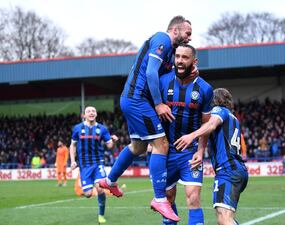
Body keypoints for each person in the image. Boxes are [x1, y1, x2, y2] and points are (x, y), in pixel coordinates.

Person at [99, 15, 192, 222]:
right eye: (187, 33)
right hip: (138, 100)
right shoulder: (162, 39)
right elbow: (150, 73)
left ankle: (110, 180)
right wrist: (159, 104)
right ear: (175, 30)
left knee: (138, 147)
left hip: (132, 100)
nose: (189, 38)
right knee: (161, 144)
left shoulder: (169, 52)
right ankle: (160, 198)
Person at [175, 88, 248, 225]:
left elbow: (211, 125)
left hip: (227, 170)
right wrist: (200, 151)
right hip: (237, 169)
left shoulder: (219, 110)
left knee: (224, 218)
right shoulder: (233, 118)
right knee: (225, 217)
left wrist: (191, 135)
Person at [159, 44, 213, 225]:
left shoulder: (204, 88)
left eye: (185, 57)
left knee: (193, 197)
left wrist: (201, 150)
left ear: (194, 61)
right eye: (178, 56)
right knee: (168, 198)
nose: (180, 61)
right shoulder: (163, 82)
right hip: (166, 152)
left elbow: (206, 123)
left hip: (190, 152)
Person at [70, 106, 119, 224]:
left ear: (96, 114)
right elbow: (72, 145)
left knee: (100, 189)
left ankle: (101, 215)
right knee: (87, 194)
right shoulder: (77, 128)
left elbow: (109, 146)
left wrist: (114, 141)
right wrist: (72, 160)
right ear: (84, 115)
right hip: (84, 165)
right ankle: (96, 183)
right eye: (88, 111)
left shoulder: (102, 129)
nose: (91, 113)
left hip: (98, 163)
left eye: (93, 111)